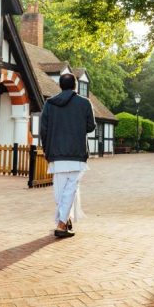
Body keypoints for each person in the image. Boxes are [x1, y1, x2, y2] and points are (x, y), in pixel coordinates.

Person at [40, 73, 96, 238]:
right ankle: (62, 223)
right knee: (70, 190)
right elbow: (91, 126)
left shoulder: (49, 104)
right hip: (77, 153)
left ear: (60, 85)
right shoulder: (85, 103)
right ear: (75, 86)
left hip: (56, 154)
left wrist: (46, 149)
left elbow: (44, 130)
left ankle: (64, 220)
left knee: (60, 192)